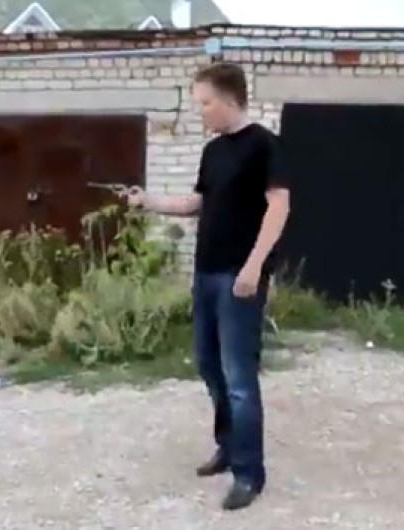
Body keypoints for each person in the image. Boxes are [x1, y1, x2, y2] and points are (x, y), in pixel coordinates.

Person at [126, 62, 290, 511]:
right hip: (206, 274)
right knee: (208, 365)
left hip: (240, 277)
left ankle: (249, 474)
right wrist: (149, 201)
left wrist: (254, 267)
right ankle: (228, 446)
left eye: (205, 103)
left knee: (239, 377)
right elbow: (197, 202)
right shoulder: (213, 151)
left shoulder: (263, 145)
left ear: (231, 99)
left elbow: (278, 207)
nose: (200, 111)